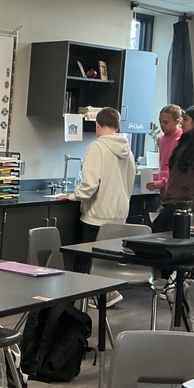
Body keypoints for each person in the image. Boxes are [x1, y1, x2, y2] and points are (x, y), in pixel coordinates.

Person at [60, 107, 136, 280]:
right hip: (119, 217)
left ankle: (86, 299)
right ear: (117, 127)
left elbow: (89, 184)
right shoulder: (128, 151)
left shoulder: (97, 147)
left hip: (97, 216)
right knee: (108, 264)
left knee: (86, 265)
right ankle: (107, 295)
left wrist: (73, 196)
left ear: (97, 125)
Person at [151, 104, 194, 233]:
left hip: (184, 204)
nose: (182, 123)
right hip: (172, 201)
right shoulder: (185, 143)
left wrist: (191, 203)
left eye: (186, 119)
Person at [146, 104, 182, 193]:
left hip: (177, 188)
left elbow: (180, 170)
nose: (162, 125)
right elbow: (163, 163)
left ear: (177, 122)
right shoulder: (160, 139)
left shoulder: (181, 140)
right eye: (160, 122)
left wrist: (162, 182)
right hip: (163, 188)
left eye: (166, 122)